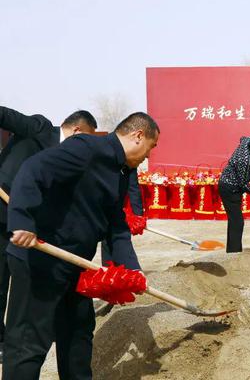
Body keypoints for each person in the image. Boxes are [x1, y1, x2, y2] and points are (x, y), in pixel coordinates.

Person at [3, 112, 159, 380]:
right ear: (138, 136)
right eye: (151, 148)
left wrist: (130, 269)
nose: (148, 156)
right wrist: (23, 221)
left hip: (75, 264)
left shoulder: (120, 170)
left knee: (77, 335)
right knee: (29, 343)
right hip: (40, 258)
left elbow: (116, 223)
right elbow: (32, 171)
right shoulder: (86, 148)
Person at [0, 107, 97, 362]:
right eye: (86, 138)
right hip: (2, 214)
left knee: (22, 285)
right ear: (77, 130)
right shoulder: (40, 129)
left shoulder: (72, 161)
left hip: (30, 228)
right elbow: (3, 116)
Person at [219, 131, 250, 253]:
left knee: (234, 220)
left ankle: (233, 250)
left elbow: (242, 138)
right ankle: (234, 253)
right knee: (237, 221)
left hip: (233, 184)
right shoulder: (244, 160)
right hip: (230, 188)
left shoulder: (247, 141)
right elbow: (242, 184)